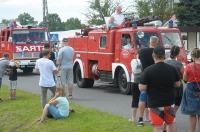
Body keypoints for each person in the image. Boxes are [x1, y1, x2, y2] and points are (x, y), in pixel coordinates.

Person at [139, 45, 181, 132]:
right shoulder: (172, 69)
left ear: (153, 56)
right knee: (171, 123)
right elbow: (178, 84)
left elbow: (142, 88)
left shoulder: (148, 70)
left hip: (154, 103)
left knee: (158, 126)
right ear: (164, 56)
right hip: (169, 102)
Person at [137, 36, 159, 126]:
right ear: (156, 43)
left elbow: (138, 59)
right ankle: (152, 118)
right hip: (155, 77)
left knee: (143, 99)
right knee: (154, 98)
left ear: (149, 42)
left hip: (144, 76)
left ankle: (140, 119)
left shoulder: (142, 51)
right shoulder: (158, 52)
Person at [182, 48, 200, 132]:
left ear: (192, 57)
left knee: (192, 113)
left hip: (191, 88)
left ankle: (191, 131)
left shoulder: (189, 66)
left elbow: (184, 78)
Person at [164, 45, 184, 113]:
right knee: (177, 103)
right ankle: (172, 115)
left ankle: (169, 115)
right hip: (177, 87)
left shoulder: (165, 61)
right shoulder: (179, 64)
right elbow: (184, 76)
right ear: (178, 53)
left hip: (166, 85)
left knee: (168, 102)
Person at [129, 51, 141, 121]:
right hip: (142, 82)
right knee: (144, 100)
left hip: (134, 81)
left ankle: (133, 118)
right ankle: (145, 117)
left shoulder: (133, 61)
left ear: (137, 54)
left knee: (135, 100)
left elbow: (133, 69)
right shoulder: (144, 61)